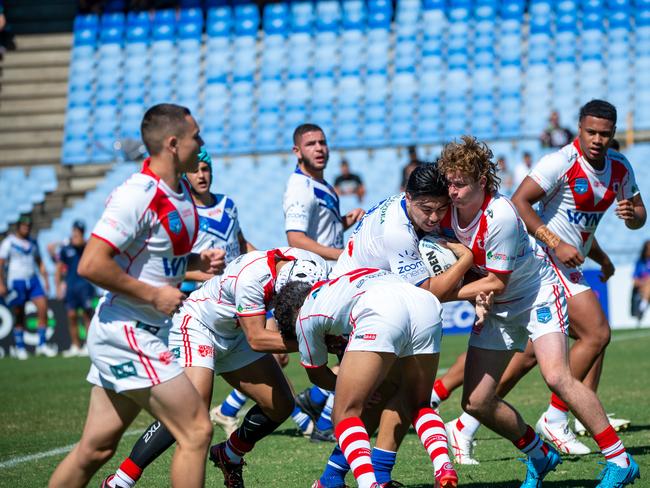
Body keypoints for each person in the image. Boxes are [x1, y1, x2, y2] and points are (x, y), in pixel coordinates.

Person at [436, 102, 646, 464]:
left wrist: (629, 221)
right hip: (541, 261)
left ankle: (467, 423)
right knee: (596, 334)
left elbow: (628, 218)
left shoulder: (620, 168)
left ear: (613, 135)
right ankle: (556, 418)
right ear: (578, 128)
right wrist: (556, 243)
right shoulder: (559, 162)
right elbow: (520, 202)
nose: (597, 140)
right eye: (591, 132)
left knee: (531, 353)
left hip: (565, 264)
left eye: (605, 134)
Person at [49, 103, 225, 488]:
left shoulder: (178, 191)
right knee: (196, 430)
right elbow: (91, 264)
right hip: (129, 331)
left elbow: (157, 256)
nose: (203, 142)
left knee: (95, 449)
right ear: (174, 143)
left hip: (141, 330)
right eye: (196, 135)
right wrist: (155, 295)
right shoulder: (137, 194)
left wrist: (198, 260)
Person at [104, 248, 328, 488]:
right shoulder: (251, 279)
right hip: (200, 326)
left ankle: (229, 456)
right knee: (192, 413)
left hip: (234, 331)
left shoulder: (318, 269)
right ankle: (120, 481)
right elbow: (257, 339)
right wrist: (313, 341)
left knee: (281, 404)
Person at [316, 164, 472, 487]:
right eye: (427, 209)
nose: (434, 218)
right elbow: (427, 293)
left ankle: (343, 477)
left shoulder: (402, 209)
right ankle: (353, 477)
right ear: (408, 196)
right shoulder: (398, 232)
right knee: (375, 401)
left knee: (392, 393)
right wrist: (466, 262)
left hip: (378, 303)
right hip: (357, 309)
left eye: (441, 209)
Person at [274, 268, 458, 488]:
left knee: (344, 413)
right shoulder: (337, 285)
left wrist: (349, 390)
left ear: (295, 310)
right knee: (417, 403)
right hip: (424, 302)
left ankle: (368, 484)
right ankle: (443, 466)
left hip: (380, 309)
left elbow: (318, 375)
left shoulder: (305, 314)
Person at [283, 123, 365, 264]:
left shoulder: (321, 184)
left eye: (322, 143)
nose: (319, 148)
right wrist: (342, 255)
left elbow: (322, 230)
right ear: (297, 151)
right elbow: (295, 239)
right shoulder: (300, 187)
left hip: (332, 272)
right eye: (310, 144)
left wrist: (347, 220)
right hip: (318, 275)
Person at [0, 215, 55, 359]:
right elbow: (1, 263)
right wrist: (1, 283)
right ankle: (20, 347)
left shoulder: (32, 242)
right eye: (24, 226)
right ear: (18, 226)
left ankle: (42, 345)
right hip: (16, 281)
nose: (26, 228)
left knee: (43, 307)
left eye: (28, 226)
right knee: (20, 313)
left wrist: (46, 281)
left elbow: (39, 261)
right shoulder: (9, 242)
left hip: (33, 280)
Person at [55, 220, 96, 358]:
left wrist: (78, 241)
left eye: (79, 231)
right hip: (71, 286)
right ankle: (75, 345)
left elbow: (81, 243)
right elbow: (59, 268)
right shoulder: (66, 248)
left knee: (86, 315)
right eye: (75, 230)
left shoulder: (86, 246)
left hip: (85, 286)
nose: (76, 233)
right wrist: (58, 286)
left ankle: (88, 345)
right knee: (71, 316)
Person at [632, 240, 650, 320]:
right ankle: (643, 306)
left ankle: (642, 307)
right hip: (642, 288)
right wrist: (645, 282)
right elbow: (635, 282)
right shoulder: (639, 263)